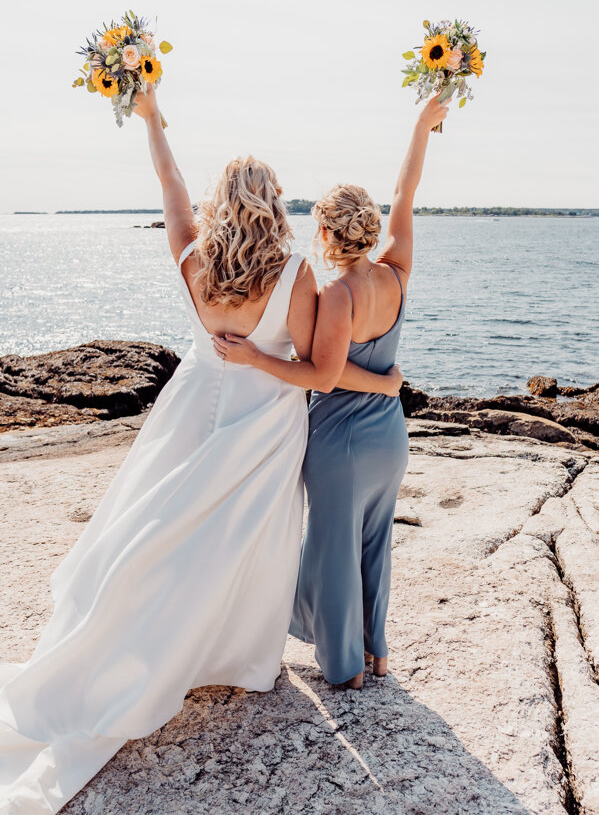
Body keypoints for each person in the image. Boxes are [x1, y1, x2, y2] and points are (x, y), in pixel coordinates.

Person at [0, 86, 402, 814]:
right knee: (247, 539)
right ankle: (233, 658)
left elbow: (170, 185)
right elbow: (318, 369)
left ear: (224, 205)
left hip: (190, 410)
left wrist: (151, 117)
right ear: (274, 206)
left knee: (161, 529)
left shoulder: (191, 258)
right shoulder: (297, 275)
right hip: (267, 422)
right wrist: (381, 386)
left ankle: (144, 641)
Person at [213, 93, 449, 690]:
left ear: (324, 231)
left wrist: (256, 358)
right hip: (390, 439)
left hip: (341, 438)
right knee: (374, 543)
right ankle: (378, 654)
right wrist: (422, 126)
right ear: (367, 224)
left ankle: (345, 669)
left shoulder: (337, 295)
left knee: (332, 548)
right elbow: (408, 189)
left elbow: (322, 373)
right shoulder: (396, 270)